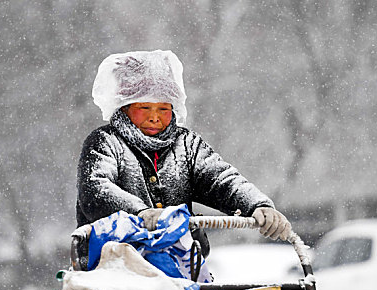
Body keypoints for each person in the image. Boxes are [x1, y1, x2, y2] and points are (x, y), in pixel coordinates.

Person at [76, 50, 291, 257]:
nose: (154, 117)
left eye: (163, 108)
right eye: (144, 107)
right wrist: (139, 214)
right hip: (113, 268)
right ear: (123, 107)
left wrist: (257, 205)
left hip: (180, 268)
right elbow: (96, 189)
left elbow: (221, 179)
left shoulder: (186, 145)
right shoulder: (105, 142)